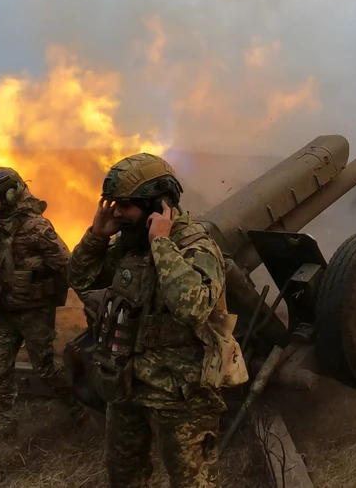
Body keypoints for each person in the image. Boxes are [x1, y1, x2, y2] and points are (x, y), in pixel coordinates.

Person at [66, 153, 246, 488]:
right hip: (126, 384)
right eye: (113, 204)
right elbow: (80, 279)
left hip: (180, 394)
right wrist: (97, 237)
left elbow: (192, 307)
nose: (117, 213)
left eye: (125, 205)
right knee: (124, 476)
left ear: (157, 206)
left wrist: (161, 244)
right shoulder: (128, 247)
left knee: (194, 482)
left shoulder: (196, 246)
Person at [0, 166, 77, 435]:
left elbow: (66, 264)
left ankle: (78, 408)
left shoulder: (37, 226)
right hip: (5, 310)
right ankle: (6, 420)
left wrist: (38, 275)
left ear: (11, 193)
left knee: (46, 368)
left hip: (34, 312)